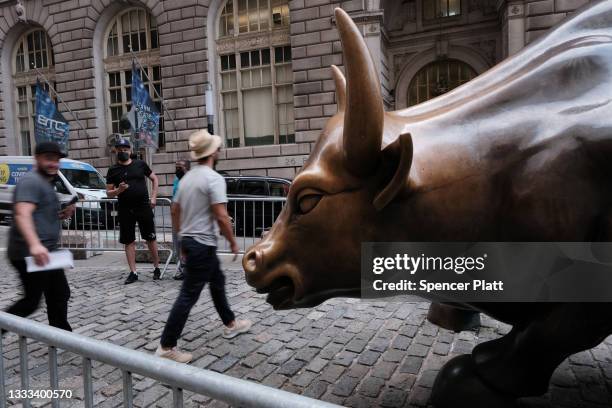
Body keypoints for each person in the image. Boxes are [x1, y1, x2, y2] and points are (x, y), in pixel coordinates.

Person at [156, 129, 251, 363]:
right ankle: (167, 345)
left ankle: (230, 323)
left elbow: (175, 210)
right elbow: (221, 215)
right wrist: (231, 241)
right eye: (217, 148)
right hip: (202, 244)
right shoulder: (213, 179)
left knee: (217, 282)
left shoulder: (186, 178)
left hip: (193, 242)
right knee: (188, 295)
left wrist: (180, 238)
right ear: (213, 153)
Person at [5, 141, 76, 330]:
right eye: (49, 159)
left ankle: (61, 334)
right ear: (37, 159)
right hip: (28, 253)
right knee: (31, 301)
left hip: (46, 252)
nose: (53, 163)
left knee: (59, 293)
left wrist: (61, 214)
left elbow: (39, 215)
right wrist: (35, 245)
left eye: (57, 160)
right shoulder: (31, 181)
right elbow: (22, 213)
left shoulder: (46, 183)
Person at [106, 138, 160, 284]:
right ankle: (133, 272)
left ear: (130, 150)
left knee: (150, 237)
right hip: (125, 209)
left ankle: (157, 268)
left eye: (125, 149)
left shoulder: (140, 164)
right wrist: (119, 190)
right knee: (128, 240)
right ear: (116, 151)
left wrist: (153, 197)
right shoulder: (113, 170)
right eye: (120, 149)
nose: (123, 151)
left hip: (143, 206)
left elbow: (154, 179)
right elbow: (108, 193)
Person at [172, 159, 190, 280]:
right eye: (176, 167)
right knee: (178, 244)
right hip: (178, 217)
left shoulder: (191, 181)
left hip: (188, 216)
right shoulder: (176, 180)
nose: (177, 169)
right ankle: (183, 269)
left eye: (180, 167)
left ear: (187, 168)